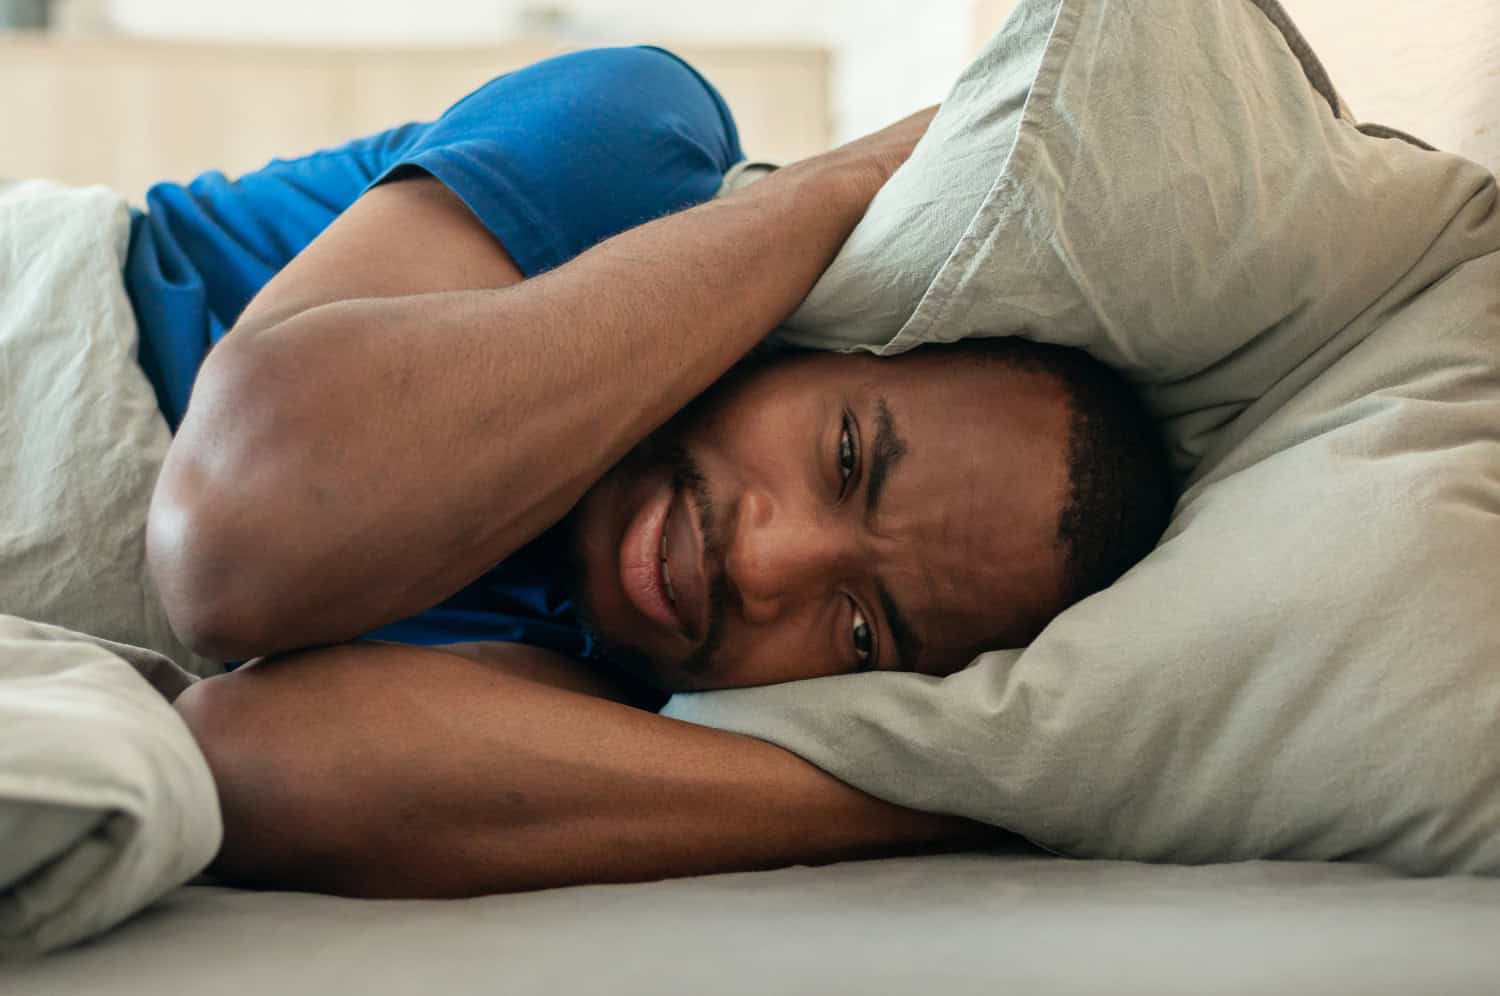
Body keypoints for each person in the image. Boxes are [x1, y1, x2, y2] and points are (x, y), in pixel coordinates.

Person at [141, 46, 1171, 896]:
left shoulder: (645, 711)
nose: (768, 565)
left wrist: (942, 804)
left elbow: (250, 764)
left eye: (862, 633)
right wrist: (862, 182)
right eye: (846, 458)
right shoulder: (635, 150)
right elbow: (228, 546)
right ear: (822, 333)